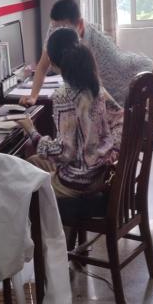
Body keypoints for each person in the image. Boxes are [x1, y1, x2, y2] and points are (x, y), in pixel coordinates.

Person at [23, 28, 124, 219]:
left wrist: (32, 132)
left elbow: (65, 153)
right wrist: (114, 151)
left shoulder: (64, 96)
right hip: (99, 173)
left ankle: (52, 234)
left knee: (20, 181)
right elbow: (120, 117)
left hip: (78, 182)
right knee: (31, 163)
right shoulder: (96, 87)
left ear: (52, 61)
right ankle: (63, 231)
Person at [22, 0, 153, 107]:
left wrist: (150, 101)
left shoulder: (91, 44)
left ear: (80, 25)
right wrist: (33, 97)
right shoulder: (56, 28)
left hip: (118, 77)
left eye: (64, 28)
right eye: (55, 27)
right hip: (101, 93)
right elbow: (42, 66)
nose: (59, 32)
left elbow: (99, 86)